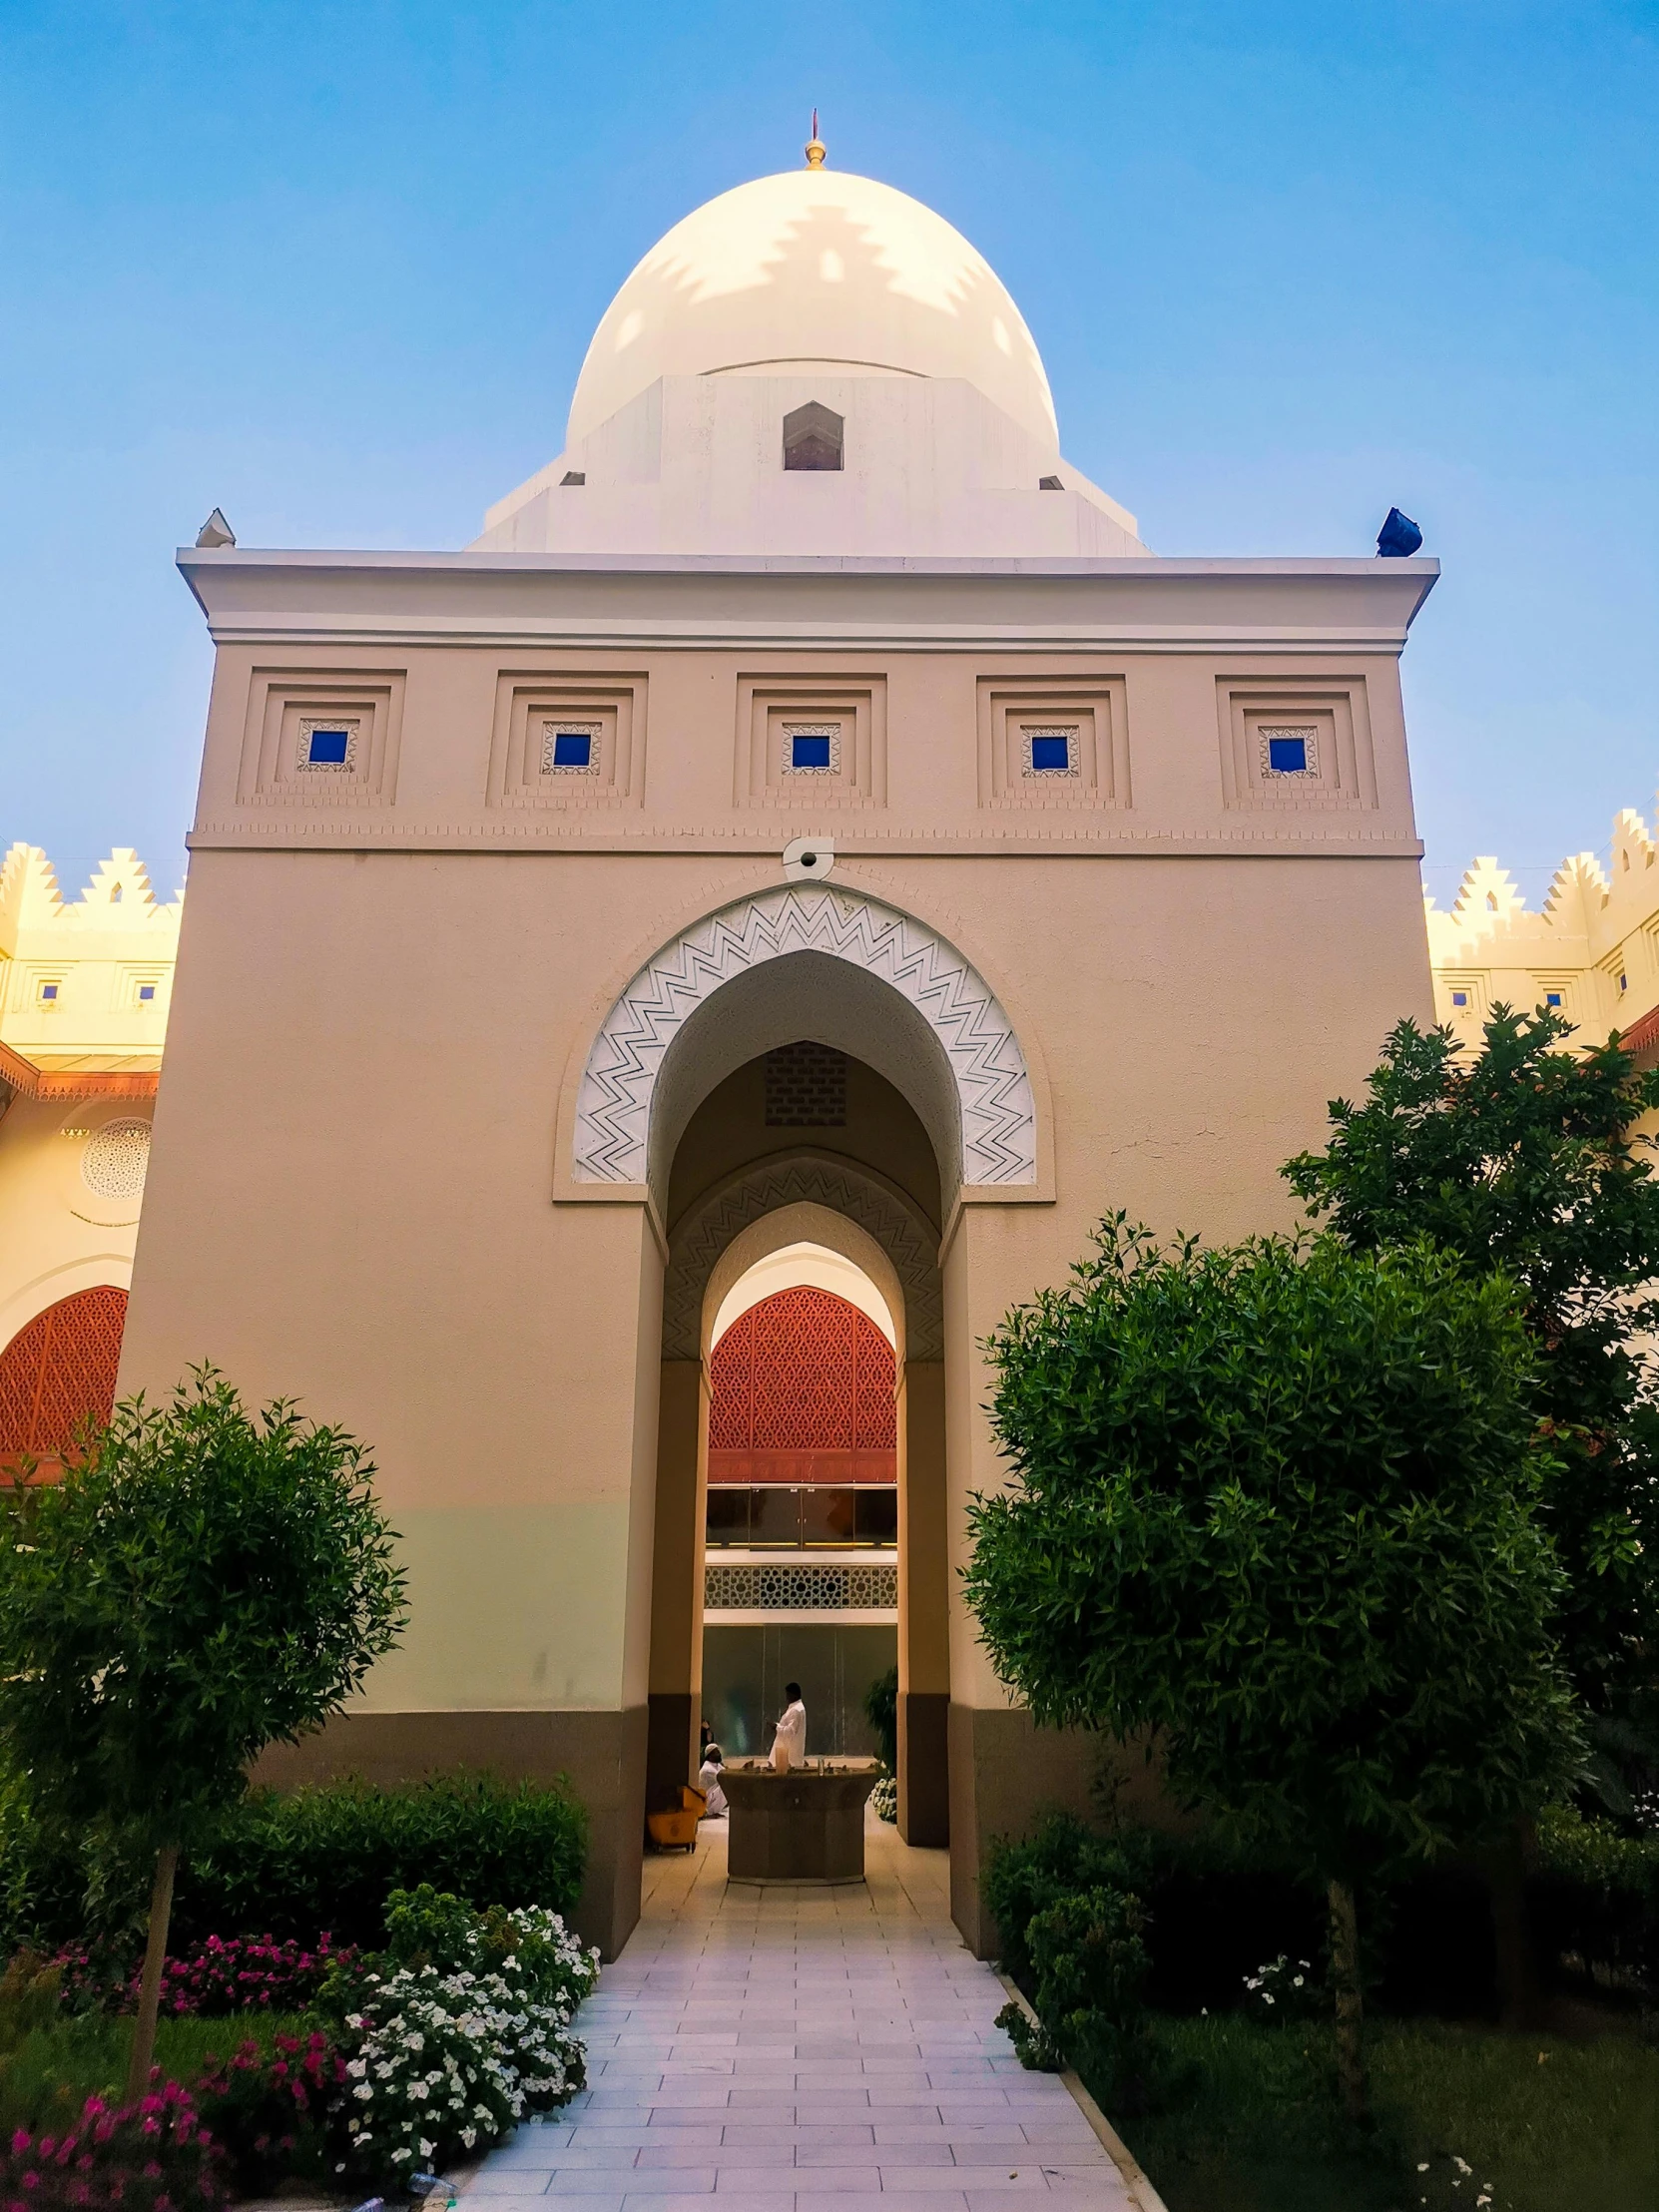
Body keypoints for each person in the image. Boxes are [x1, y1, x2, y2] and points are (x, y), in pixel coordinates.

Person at [771, 1681, 807, 1772]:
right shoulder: (795, 1708)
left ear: (793, 1695)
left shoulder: (796, 1710)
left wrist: (776, 1727)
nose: (786, 1697)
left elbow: (790, 1731)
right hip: (786, 1756)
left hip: (789, 1757)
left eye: (788, 1695)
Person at [698, 1742, 728, 1819]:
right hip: (705, 1801)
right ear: (710, 1756)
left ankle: (714, 1811)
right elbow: (724, 1777)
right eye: (716, 1752)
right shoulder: (707, 1769)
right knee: (725, 1785)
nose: (719, 1754)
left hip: (711, 1797)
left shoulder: (717, 1765)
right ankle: (709, 1813)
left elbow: (726, 1772)